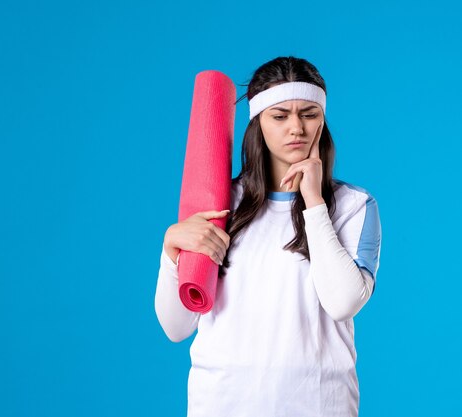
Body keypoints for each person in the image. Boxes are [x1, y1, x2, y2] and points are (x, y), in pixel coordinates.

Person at [154, 56, 382, 417]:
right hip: (221, 404)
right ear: (258, 123)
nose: (297, 128)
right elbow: (175, 326)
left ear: (322, 120)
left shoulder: (353, 206)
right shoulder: (220, 205)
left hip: (320, 406)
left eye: (309, 114)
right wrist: (170, 253)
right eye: (280, 116)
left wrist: (313, 202)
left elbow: (342, 303)